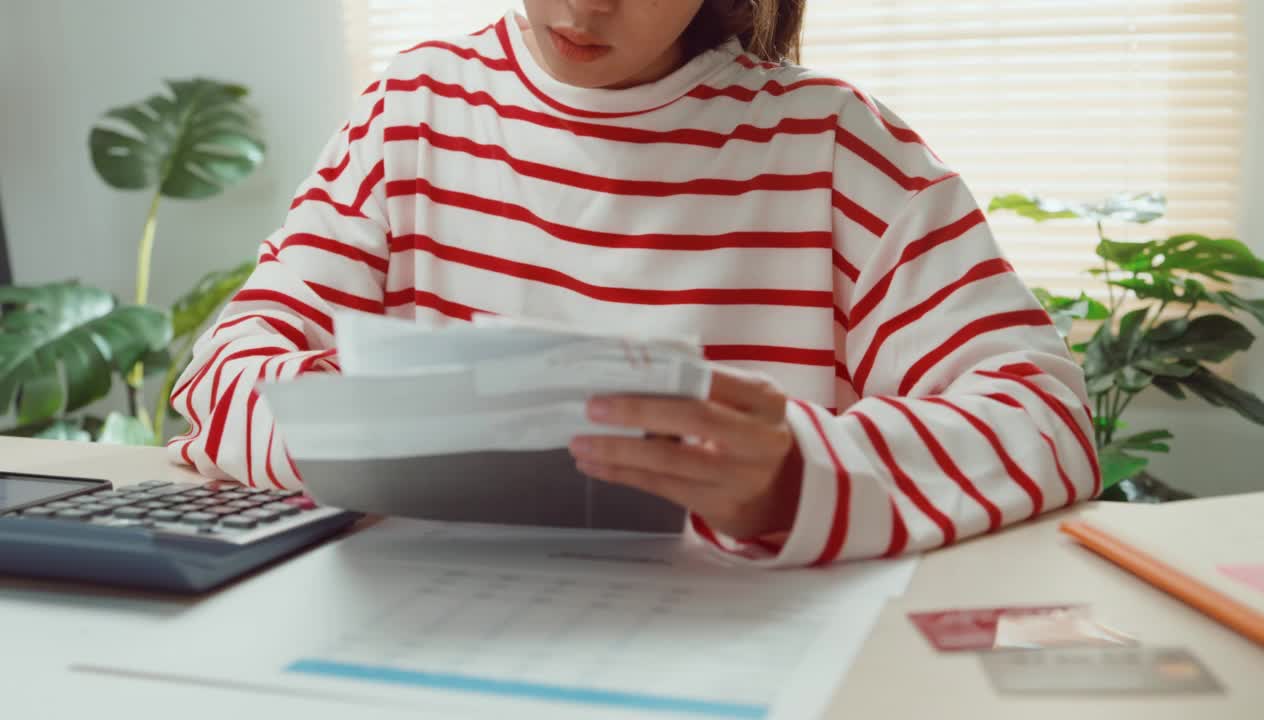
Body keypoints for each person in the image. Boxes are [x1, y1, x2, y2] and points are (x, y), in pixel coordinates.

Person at [169, 0, 1097, 567]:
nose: (586, 4)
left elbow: (1044, 418)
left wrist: (794, 479)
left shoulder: (832, 148)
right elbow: (222, 374)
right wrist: (368, 439)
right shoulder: (413, 112)